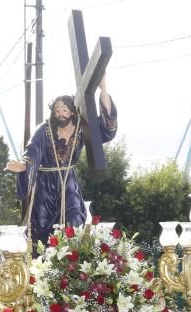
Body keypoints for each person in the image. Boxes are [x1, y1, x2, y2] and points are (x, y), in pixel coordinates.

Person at [6, 76, 117, 251]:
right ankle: (40, 267)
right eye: (57, 110)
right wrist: (24, 166)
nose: (60, 114)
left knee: (74, 220)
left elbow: (106, 129)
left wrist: (103, 89)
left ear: (72, 111)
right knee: (41, 224)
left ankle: (70, 261)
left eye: (64, 110)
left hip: (69, 181)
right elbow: (32, 150)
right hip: (45, 184)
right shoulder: (45, 130)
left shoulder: (82, 129)